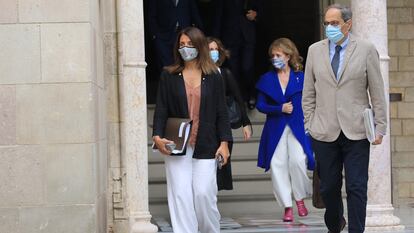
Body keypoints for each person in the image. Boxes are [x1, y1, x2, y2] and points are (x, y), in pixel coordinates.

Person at [302, 4, 387, 233]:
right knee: (329, 187)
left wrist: (380, 127)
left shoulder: (366, 49)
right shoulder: (314, 51)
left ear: (347, 24)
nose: (329, 27)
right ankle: (335, 224)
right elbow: (308, 92)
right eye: (327, 23)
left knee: (357, 186)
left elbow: (377, 91)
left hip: (356, 129)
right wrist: (309, 124)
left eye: (335, 23)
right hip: (324, 130)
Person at [152, 27, 232, 233]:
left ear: (200, 46)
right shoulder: (168, 75)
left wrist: (224, 143)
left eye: (190, 44)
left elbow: (222, 112)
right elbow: (161, 109)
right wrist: (157, 137)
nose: (185, 48)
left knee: (204, 194)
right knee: (180, 195)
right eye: (182, 45)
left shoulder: (213, 75)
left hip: (206, 143)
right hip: (176, 144)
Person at [255, 38, 315, 222]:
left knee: (297, 161)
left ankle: (299, 198)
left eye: (278, 55)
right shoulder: (266, 79)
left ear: (288, 56)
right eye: (272, 56)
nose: (275, 58)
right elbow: (260, 105)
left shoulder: (301, 77)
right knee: (277, 164)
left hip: (297, 125)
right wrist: (278, 109)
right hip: (275, 127)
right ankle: (287, 206)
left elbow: (311, 99)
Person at [207, 36, 253, 190]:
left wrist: (245, 123)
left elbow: (238, 98)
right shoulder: (197, 74)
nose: (213, 53)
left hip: (223, 128)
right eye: (209, 49)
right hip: (204, 127)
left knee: (220, 168)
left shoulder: (224, 73)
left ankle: (211, 207)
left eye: (215, 49)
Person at [212, 0, 263, 109]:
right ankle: (237, 98)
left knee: (247, 67)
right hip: (229, 37)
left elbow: (262, 8)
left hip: (248, 36)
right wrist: (215, 39)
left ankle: (251, 94)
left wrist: (256, 15)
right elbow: (218, 15)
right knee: (233, 70)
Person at [147, 0, 203, 69]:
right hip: (163, 36)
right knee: (165, 64)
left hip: (184, 35)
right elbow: (151, 15)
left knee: (183, 61)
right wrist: (154, 35)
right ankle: (167, 79)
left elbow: (194, 13)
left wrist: (199, 32)